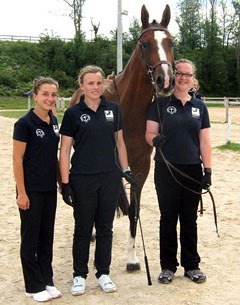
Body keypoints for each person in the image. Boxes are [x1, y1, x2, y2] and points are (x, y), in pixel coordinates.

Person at [59, 65, 137, 295]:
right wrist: (65, 183)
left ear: (104, 84)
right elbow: (64, 150)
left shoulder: (113, 109)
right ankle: (79, 274)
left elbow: (120, 142)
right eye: (90, 83)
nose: (95, 87)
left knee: (106, 227)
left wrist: (125, 169)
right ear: (82, 85)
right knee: (83, 228)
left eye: (99, 82)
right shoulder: (73, 113)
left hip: (110, 178)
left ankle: (103, 272)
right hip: (82, 178)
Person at [145, 59, 211, 284]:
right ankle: (167, 266)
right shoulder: (159, 104)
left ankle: (192, 265)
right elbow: (148, 133)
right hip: (166, 169)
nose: (183, 77)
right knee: (168, 218)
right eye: (179, 73)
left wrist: (208, 170)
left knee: (189, 220)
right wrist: (156, 140)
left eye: (187, 74)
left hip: (192, 170)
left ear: (193, 79)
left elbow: (204, 141)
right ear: (173, 76)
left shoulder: (200, 107)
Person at [13, 77, 62, 302]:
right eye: (45, 94)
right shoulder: (24, 124)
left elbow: (53, 156)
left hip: (49, 189)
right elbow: (17, 159)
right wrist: (22, 193)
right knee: (30, 238)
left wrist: (61, 182)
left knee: (46, 237)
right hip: (30, 190)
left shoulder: (53, 120)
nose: (50, 99)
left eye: (53, 95)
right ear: (35, 96)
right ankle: (32, 286)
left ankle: (46, 280)